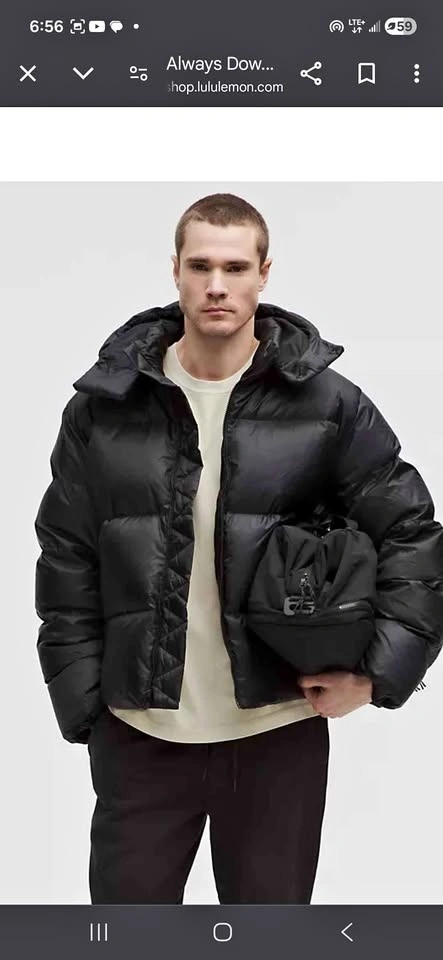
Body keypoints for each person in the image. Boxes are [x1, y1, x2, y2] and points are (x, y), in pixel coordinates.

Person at [34, 192, 443, 905]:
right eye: (200, 266)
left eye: (233, 267)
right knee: (125, 943)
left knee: (270, 943)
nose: (216, 285)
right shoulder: (105, 408)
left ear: (263, 274)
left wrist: (376, 676)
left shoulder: (325, 403)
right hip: (139, 734)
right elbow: (66, 554)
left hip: (276, 732)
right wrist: (86, 702)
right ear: (176, 271)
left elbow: (410, 532)